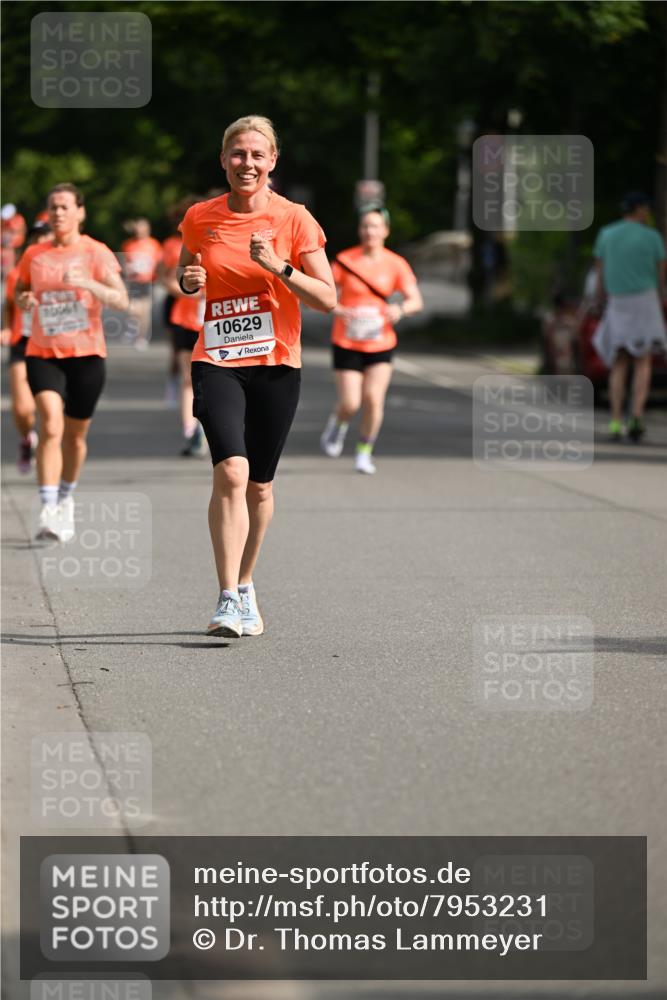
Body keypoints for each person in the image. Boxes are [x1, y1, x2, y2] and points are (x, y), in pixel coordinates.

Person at [178, 115, 336, 638]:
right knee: (231, 472)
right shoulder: (202, 217)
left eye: (257, 155)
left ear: (273, 162)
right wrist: (187, 279)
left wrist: (280, 268)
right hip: (218, 359)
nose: (247, 164)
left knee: (261, 487)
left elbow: (328, 299)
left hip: (275, 364)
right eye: (238, 155)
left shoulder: (294, 219)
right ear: (223, 160)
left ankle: (246, 584)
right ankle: (225, 598)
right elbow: (185, 269)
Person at [16, 183, 128, 541]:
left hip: (86, 355)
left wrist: (89, 285)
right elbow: (20, 292)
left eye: (65, 207)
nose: (58, 213)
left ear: (80, 212)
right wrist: (26, 301)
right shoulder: (34, 254)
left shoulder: (96, 252)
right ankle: (48, 507)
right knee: (50, 424)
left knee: (75, 437)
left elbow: (121, 300)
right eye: (53, 207)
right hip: (43, 352)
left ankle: (65, 497)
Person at [320, 205, 423, 473]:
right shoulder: (344, 260)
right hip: (347, 341)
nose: (370, 231)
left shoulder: (396, 263)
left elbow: (415, 300)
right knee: (350, 403)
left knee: (374, 399)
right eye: (365, 226)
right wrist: (340, 310)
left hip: (381, 341)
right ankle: (338, 423)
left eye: (375, 226)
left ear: (385, 231)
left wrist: (399, 309)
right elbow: (322, 295)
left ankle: (364, 452)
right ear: (359, 230)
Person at [592, 191, 667, 442]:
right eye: (646, 208)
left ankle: (615, 420)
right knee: (643, 361)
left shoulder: (606, 235)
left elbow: (600, 274)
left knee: (619, 362)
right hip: (645, 301)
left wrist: (601, 300)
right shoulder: (653, 237)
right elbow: (661, 277)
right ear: (639, 209)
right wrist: (659, 299)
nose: (648, 213)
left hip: (618, 301)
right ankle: (636, 415)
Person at [1, 219, 53, 473]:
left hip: (56, 344)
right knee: (23, 407)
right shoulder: (16, 274)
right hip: (23, 341)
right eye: (37, 238)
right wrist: (7, 327)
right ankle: (26, 439)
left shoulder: (65, 272)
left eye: (47, 237)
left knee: (50, 409)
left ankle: (49, 449)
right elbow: (9, 305)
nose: (41, 242)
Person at [159, 195, 208, 453]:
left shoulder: (220, 242)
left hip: (215, 322)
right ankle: (190, 432)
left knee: (212, 381)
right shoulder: (175, 245)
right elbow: (167, 280)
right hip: (185, 317)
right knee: (189, 379)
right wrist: (189, 290)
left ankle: (207, 429)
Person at [120, 218, 162, 350]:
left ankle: (141, 337)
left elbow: (160, 263)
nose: (139, 230)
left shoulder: (154, 244)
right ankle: (132, 328)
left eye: (142, 227)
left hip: (148, 281)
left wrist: (156, 273)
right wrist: (128, 269)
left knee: (145, 311)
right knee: (133, 309)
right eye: (138, 227)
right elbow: (124, 263)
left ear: (147, 229)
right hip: (134, 282)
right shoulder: (128, 244)